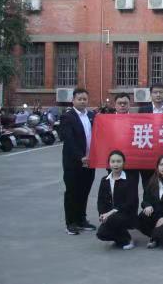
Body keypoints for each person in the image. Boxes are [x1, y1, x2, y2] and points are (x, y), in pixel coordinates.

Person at [60, 87, 97, 235]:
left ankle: (82, 219)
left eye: (85, 99)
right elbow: (68, 140)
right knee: (72, 192)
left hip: (90, 161)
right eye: (79, 99)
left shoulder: (92, 115)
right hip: (74, 162)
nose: (82, 101)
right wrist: (80, 157)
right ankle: (71, 223)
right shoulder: (67, 117)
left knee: (84, 191)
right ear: (73, 100)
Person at [96, 150, 138, 250]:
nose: (116, 164)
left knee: (113, 219)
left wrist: (110, 213)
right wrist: (102, 213)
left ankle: (127, 239)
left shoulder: (130, 179)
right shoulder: (104, 180)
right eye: (113, 161)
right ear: (109, 163)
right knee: (101, 234)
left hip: (126, 214)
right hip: (110, 215)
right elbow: (101, 200)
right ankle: (119, 238)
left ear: (123, 163)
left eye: (119, 161)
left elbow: (131, 202)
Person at [136, 84, 163, 188]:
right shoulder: (143, 110)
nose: (158, 95)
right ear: (151, 94)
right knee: (148, 185)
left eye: (161, 92)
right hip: (148, 152)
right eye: (155, 92)